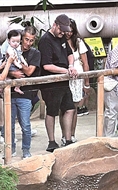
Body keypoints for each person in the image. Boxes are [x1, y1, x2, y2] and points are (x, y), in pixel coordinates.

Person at [38, 14, 78, 151]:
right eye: (61, 30)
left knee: (69, 108)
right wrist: (65, 70)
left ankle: (67, 139)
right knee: (52, 111)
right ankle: (51, 141)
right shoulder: (45, 40)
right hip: (51, 82)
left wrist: (71, 66)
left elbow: (70, 53)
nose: (62, 33)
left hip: (63, 80)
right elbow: (46, 65)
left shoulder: (62, 39)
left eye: (65, 31)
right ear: (55, 25)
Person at [8, 26, 40, 159]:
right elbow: (4, 68)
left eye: (31, 40)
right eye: (26, 39)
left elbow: (29, 72)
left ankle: (26, 150)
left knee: (26, 125)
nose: (28, 43)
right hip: (10, 92)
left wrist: (18, 65)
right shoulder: (12, 49)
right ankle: (11, 149)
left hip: (26, 94)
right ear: (22, 38)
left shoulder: (35, 53)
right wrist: (12, 72)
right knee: (9, 125)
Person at [65, 20, 90, 142]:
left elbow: (85, 63)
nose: (69, 33)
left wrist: (87, 83)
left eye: (71, 30)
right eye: (67, 30)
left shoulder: (78, 42)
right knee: (65, 108)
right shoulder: (60, 41)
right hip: (65, 76)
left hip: (77, 78)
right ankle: (65, 135)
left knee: (74, 107)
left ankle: (72, 134)